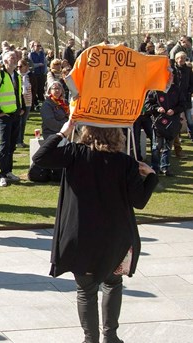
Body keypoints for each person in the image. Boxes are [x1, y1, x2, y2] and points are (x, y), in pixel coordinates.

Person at [32, 120, 159, 343]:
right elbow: (139, 201)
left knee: (86, 291)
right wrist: (151, 176)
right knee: (113, 283)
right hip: (116, 239)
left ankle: (91, 339)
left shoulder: (75, 154)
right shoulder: (125, 163)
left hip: (82, 237)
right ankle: (111, 336)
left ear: (87, 131)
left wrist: (63, 132)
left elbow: (40, 157)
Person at [0, 51, 25, 187]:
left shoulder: (17, 75)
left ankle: (9, 171)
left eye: (15, 57)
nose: (15, 59)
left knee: (12, 144)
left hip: (15, 115)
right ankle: (2, 174)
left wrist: (22, 109)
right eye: (11, 57)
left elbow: (18, 93)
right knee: (3, 145)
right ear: (4, 61)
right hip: (4, 116)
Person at [17, 59, 33, 147]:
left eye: (20, 66)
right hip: (20, 102)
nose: (19, 68)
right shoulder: (16, 76)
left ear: (26, 67)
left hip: (28, 101)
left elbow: (34, 88)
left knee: (23, 122)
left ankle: (21, 140)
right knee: (19, 122)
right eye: (18, 66)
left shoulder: (30, 75)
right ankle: (18, 141)